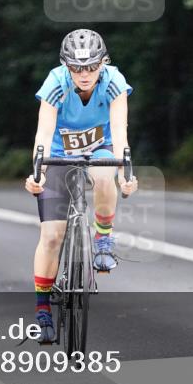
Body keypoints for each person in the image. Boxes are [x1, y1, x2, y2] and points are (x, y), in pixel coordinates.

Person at [24, 29, 139, 344]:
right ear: (66, 65)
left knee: (105, 174)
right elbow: (43, 135)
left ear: (103, 63)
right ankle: (43, 310)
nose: (84, 74)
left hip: (99, 150)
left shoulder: (113, 82)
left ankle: (103, 240)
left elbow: (119, 131)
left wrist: (125, 173)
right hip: (59, 155)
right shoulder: (56, 83)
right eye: (76, 67)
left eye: (91, 67)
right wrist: (39, 173)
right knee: (51, 236)